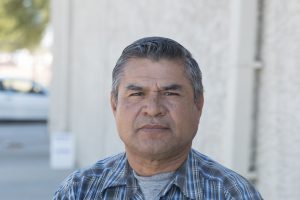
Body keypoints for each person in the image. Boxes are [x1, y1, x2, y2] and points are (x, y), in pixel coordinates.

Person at [53, 37, 263, 200]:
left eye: (170, 93)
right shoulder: (79, 190)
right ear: (114, 105)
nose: (153, 109)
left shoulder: (230, 193)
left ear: (198, 104)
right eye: (137, 94)